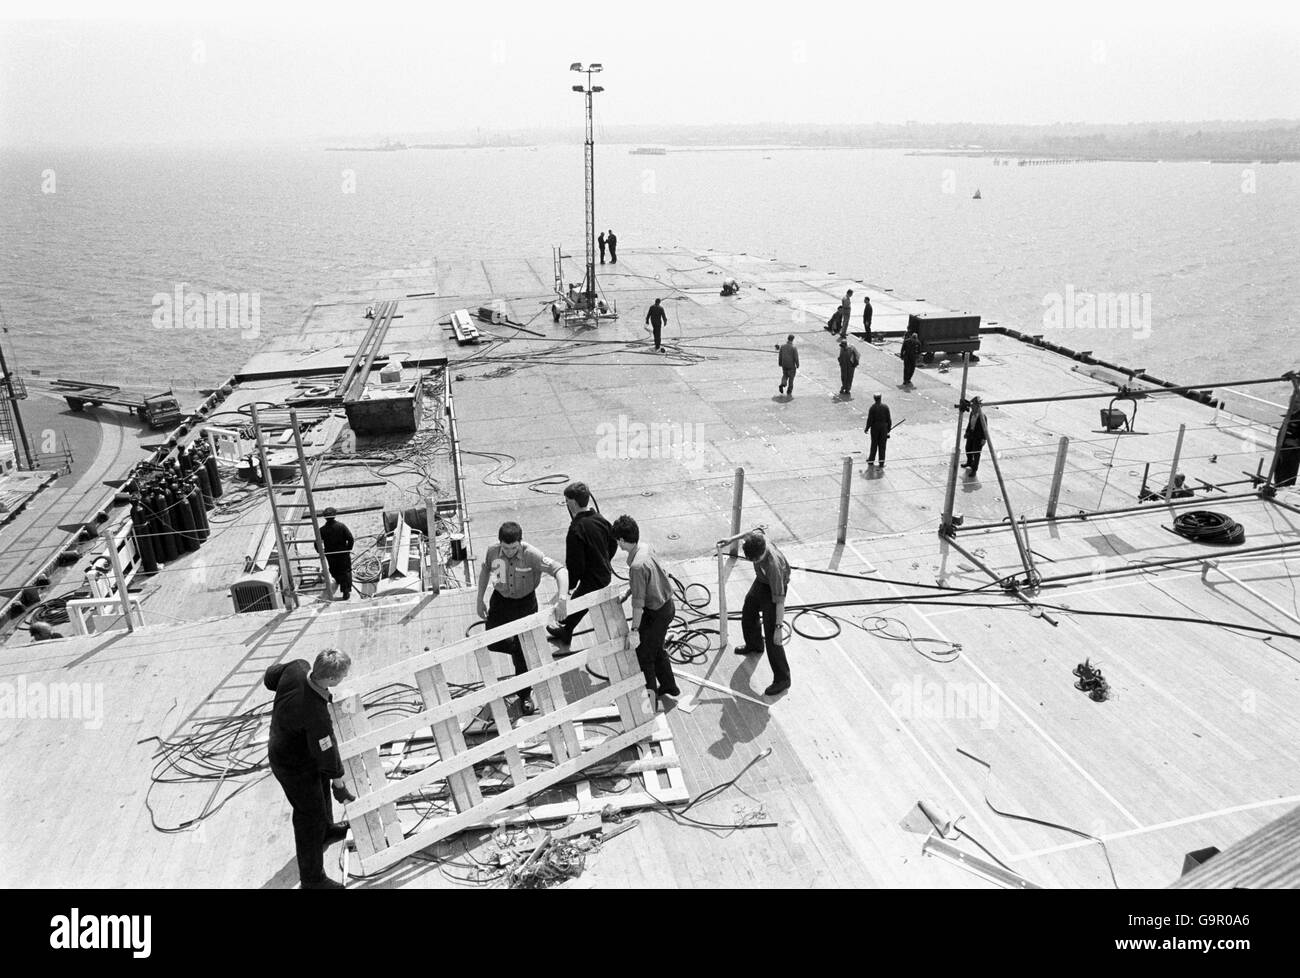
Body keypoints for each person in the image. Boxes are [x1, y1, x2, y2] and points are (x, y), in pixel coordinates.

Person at [264, 648, 355, 890]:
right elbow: (327, 755)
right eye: (342, 677)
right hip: (291, 764)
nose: (342, 681)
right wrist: (340, 784)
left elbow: (270, 677)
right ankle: (312, 879)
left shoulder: (297, 667)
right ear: (332, 679)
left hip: (291, 744)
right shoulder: (315, 714)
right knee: (308, 816)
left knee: (320, 788)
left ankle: (326, 830)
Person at [477, 521, 569, 716]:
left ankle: (525, 694)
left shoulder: (532, 555)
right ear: (499, 542)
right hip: (500, 602)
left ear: (520, 542)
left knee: (521, 651)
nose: (509, 552)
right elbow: (486, 570)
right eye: (505, 547)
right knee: (492, 642)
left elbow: (561, 571)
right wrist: (479, 599)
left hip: (524, 605)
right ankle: (520, 651)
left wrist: (562, 599)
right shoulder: (492, 551)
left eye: (513, 548)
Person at [611, 515, 680, 703]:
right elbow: (649, 581)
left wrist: (634, 631)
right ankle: (669, 686)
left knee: (644, 656)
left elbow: (638, 606)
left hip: (655, 613)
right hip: (667, 606)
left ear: (622, 540)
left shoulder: (636, 566)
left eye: (618, 541)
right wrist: (629, 590)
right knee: (657, 649)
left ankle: (650, 702)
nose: (618, 545)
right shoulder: (646, 547)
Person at [547, 483, 616, 646]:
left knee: (577, 604)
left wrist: (568, 586)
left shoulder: (576, 529)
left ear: (572, 503)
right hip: (604, 573)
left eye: (567, 501)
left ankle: (565, 631)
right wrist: (605, 560)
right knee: (579, 603)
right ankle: (566, 630)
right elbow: (613, 543)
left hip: (592, 579)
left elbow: (574, 564)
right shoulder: (600, 519)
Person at [737, 529, 792, 696]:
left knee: (772, 638)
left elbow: (780, 601)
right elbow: (748, 533)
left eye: (756, 559)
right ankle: (754, 644)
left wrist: (778, 627)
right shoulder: (757, 540)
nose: (753, 561)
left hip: (773, 588)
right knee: (749, 608)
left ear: (763, 553)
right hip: (762, 580)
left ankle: (783, 678)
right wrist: (729, 540)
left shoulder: (772, 565)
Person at [318, 508, 354, 600]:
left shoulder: (322, 530)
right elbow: (350, 539)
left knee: (335, 570)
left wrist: (322, 552)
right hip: (343, 554)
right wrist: (347, 550)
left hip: (331, 556)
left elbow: (317, 544)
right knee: (345, 571)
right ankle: (345, 591)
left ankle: (339, 582)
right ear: (334, 515)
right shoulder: (341, 526)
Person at [865, 393, 892, 466]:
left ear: (874, 398)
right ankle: (881, 462)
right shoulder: (885, 407)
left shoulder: (872, 408)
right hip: (883, 428)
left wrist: (867, 428)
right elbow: (889, 419)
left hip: (875, 428)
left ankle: (871, 460)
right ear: (880, 398)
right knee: (882, 446)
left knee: (874, 444)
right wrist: (888, 429)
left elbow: (870, 419)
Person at [964, 397, 986, 477]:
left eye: (973, 406)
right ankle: (969, 462)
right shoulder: (972, 414)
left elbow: (985, 429)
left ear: (977, 407)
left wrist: (984, 439)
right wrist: (966, 432)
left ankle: (974, 470)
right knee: (968, 449)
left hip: (978, 437)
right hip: (971, 435)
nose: (971, 408)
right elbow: (969, 424)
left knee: (976, 454)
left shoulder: (982, 416)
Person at [777, 334, 799, 398]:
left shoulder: (782, 346)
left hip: (784, 364)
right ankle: (789, 391)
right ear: (793, 339)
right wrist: (797, 364)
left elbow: (780, 355)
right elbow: (796, 357)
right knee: (791, 379)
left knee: (785, 375)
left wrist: (780, 363)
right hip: (791, 365)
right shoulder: (793, 347)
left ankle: (782, 384)